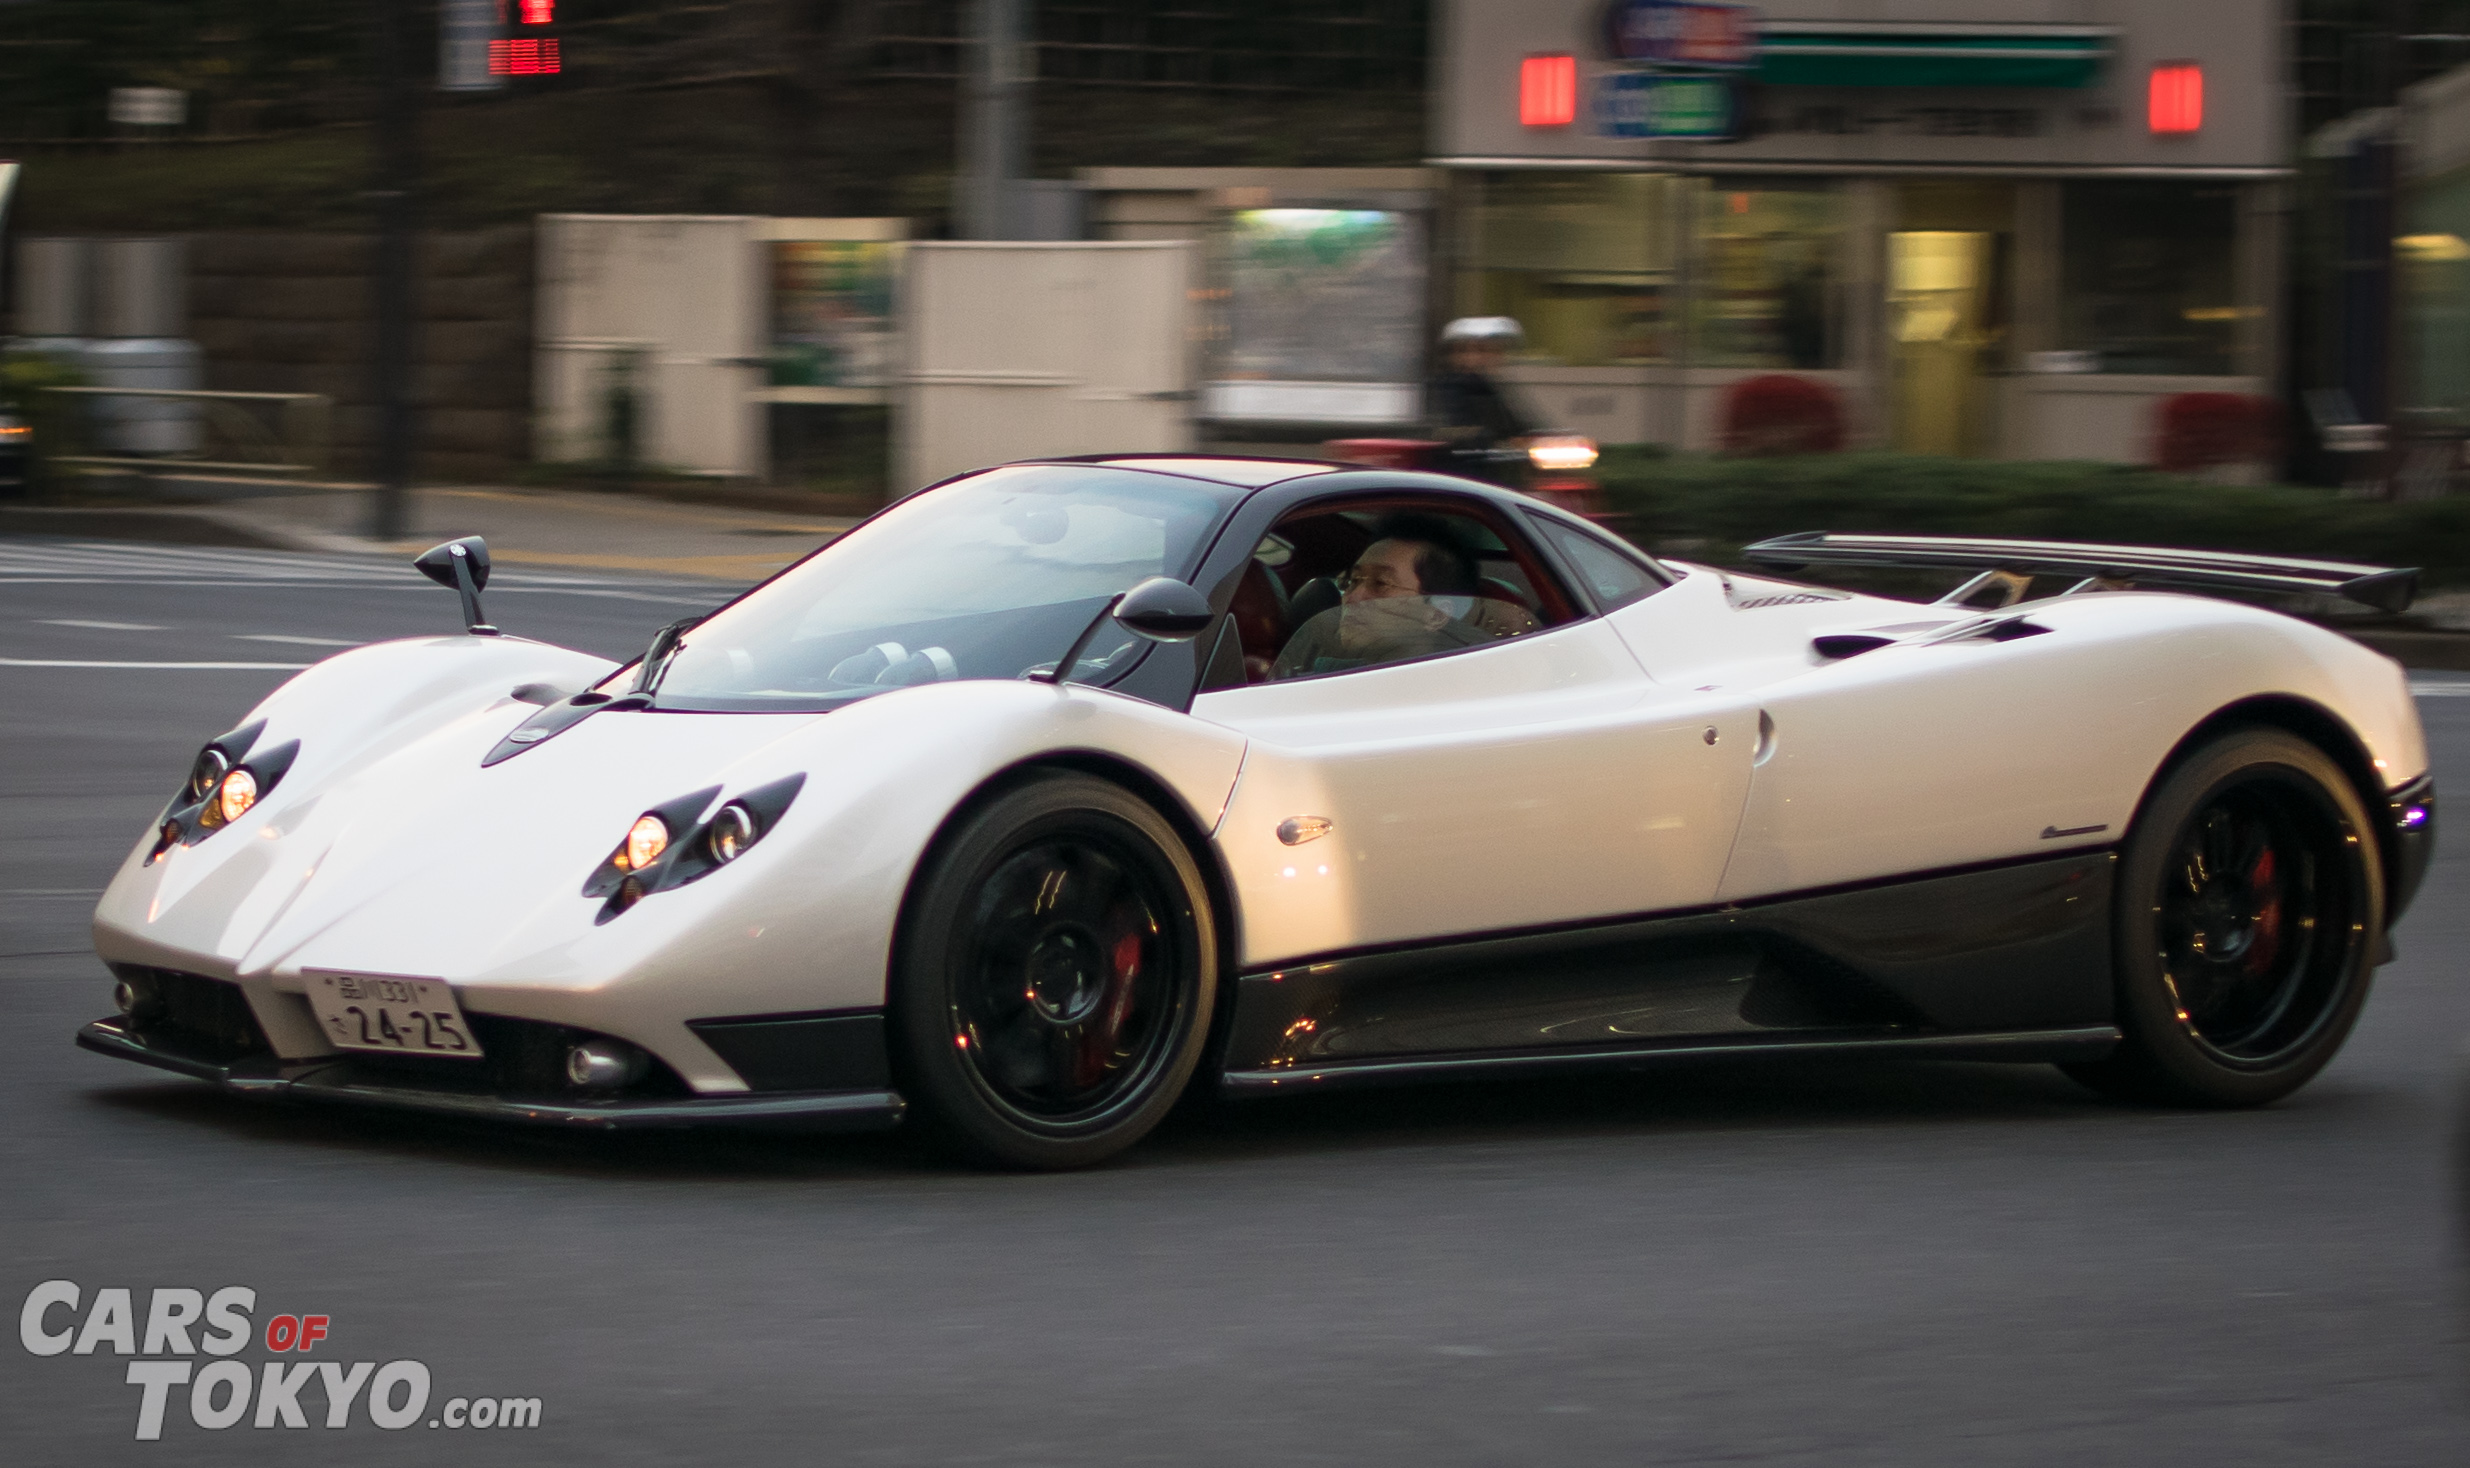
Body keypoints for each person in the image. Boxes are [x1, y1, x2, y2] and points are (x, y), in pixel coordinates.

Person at [1273, 514, 1528, 679]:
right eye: (1352, 581)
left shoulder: (1458, 696)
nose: (1353, 597)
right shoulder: (1319, 678)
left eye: (1381, 583)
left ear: (1437, 614)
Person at [1428, 317, 1535, 471]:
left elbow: (1518, 425)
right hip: (1458, 474)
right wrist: (1498, 441)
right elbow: (1454, 432)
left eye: (1495, 351)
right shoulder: (1445, 389)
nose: (1490, 357)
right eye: (1480, 350)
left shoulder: (1490, 388)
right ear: (1457, 354)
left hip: (1491, 471)